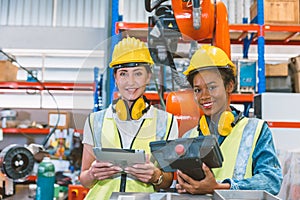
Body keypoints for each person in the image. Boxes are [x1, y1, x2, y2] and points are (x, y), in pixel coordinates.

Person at [79, 37, 179, 199]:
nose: (130, 82)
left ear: (148, 77)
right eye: (123, 74)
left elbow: (167, 181)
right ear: (116, 79)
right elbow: (84, 179)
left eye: (138, 73)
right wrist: (92, 174)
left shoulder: (167, 122)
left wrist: (155, 176)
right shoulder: (95, 121)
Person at [175, 45, 283, 195]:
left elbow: (271, 181)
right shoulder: (189, 138)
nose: (204, 96)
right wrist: (184, 186)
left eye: (212, 87)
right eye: (198, 90)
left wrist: (219, 188)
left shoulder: (255, 131)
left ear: (229, 86)